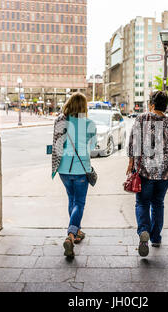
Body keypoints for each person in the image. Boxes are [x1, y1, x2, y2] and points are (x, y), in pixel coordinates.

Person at [126, 91, 168, 257]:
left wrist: (131, 163)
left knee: (142, 203)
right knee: (158, 203)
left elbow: (133, 143)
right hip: (165, 173)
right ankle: (156, 237)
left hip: (144, 171)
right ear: (166, 105)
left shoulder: (141, 119)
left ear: (151, 104)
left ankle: (144, 232)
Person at [51, 92, 97, 258]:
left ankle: (76, 231)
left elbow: (56, 145)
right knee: (79, 202)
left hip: (63, 169)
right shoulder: (89, 123)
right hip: (81, 169)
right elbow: (92, 146)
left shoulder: (60, 122)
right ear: (84, 107)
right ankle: (71, 235)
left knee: (72, 199)